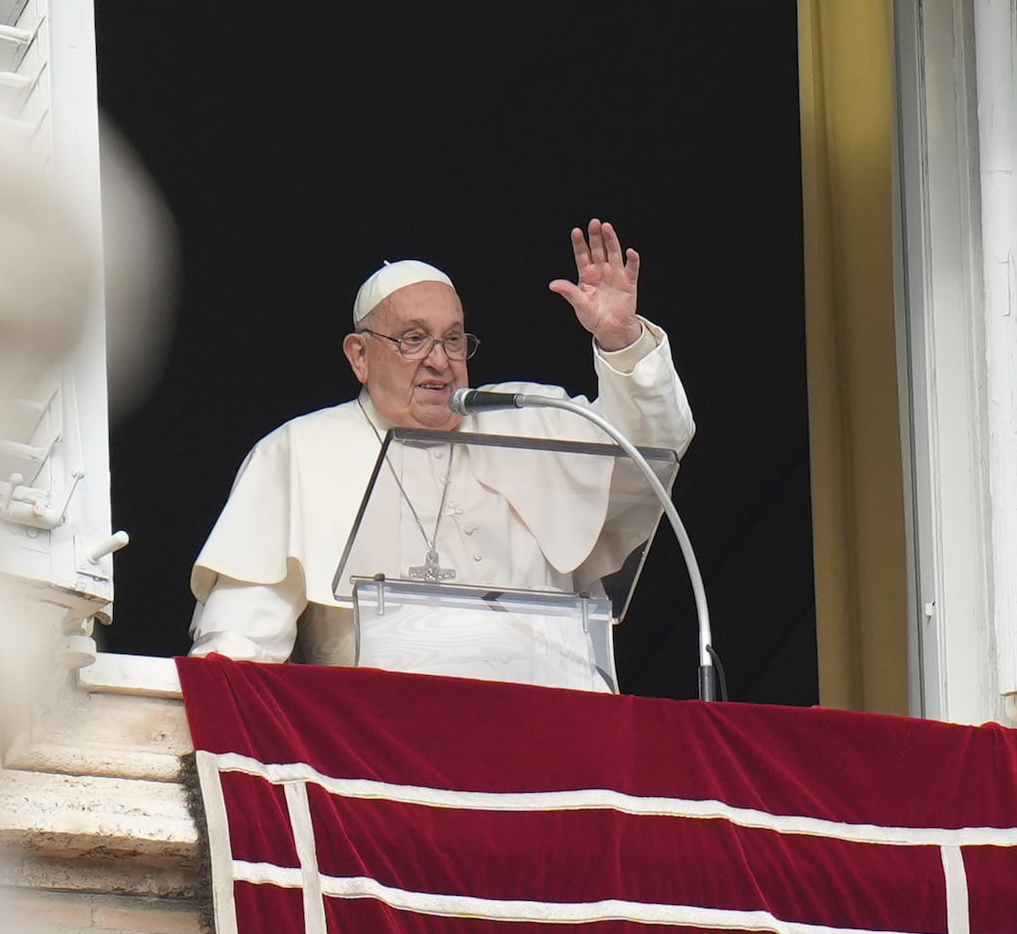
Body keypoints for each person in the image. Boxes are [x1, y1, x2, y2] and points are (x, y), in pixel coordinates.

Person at [188, 220, 695, 674]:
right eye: (413, 339)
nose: (439, 360)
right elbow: (241, 642)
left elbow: (652, 448)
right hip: (382, 750)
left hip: (558, 734)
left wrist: (621, 340)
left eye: (453, 340)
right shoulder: (297, 450)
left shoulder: (530, 418)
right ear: (359, 356)